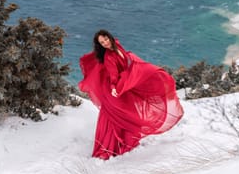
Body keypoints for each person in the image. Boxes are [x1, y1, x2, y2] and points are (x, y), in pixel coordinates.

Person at [78, 29, 184, 160]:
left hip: (122, 84)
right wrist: (113, 87)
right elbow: (113, 76)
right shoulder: (109, 57)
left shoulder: (117, 44)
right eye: (101, 42)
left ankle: (124, 141)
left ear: (110, 37)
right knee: (120, 116)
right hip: (114, 89)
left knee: (124, 113)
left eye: (105, 39)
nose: (105, 43)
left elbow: (123, 59)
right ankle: (111, 147)